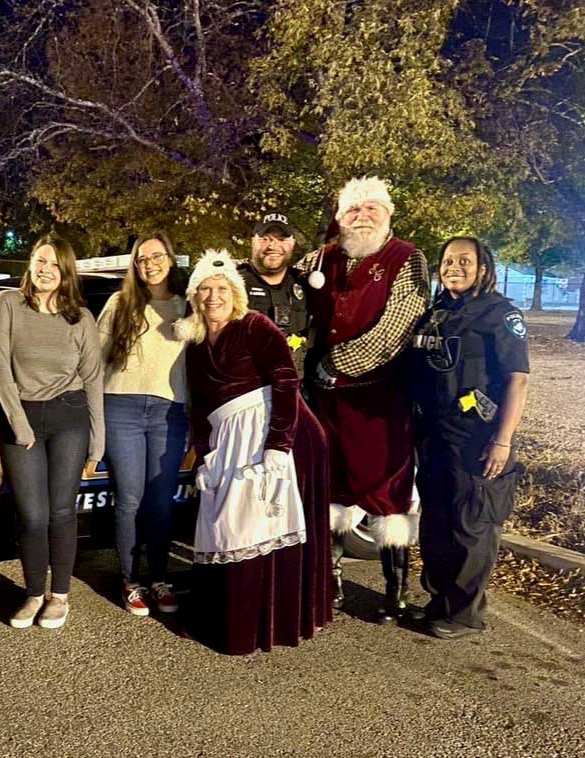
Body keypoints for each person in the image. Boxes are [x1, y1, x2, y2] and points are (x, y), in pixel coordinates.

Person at [175, 250, 333, 655]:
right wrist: (204, 453)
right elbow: (198, 405)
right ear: (194, 297)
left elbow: (285, 381)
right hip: (229, 440)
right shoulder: (194, 344)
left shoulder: (255, 326)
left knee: (261, 528)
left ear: (236, 293)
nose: (213, 297)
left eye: (222, 288)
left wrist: (278, 447)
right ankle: (227, 619)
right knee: (226, 525)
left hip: (278, 435)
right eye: (205, 289)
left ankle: (267, 624)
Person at [297, 176, 430, 621]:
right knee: (330, 486)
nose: (363, 216)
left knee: (388, 492)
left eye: (372, 208)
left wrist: (336, 364)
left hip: (380, 401)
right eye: (353, 210)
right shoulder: (321, 259)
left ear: (388, 213)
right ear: (339, 217)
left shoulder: (408, 259)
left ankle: (396, 588)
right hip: (325, 403)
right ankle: (329, 577)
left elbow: (399, 326)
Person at [407, 236, 529, 638]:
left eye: (464, 260)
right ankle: (440, 602)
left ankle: (464, 614)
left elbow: (517, 381)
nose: (453, 267)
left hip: (478, 438)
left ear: (483, 268)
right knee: (438, 522)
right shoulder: (436, 313)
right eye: (447, 260)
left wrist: (503, 440)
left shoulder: (500, 314)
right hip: (435, 436)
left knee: (473, 525)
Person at [0, 235, 104, 629]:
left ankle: (60, 596)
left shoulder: (80, 318)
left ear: (66, 271)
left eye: (53, 263)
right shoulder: (7, 305)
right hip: (23, 418)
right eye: (39, 260)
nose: (45, 268)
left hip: (69, 417)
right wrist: (18, 423)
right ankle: (34, 592)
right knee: (32, 515)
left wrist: (97, 438)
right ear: (30, 264)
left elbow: (92, 378)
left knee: (61, 511)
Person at [97, 232, 188, 616]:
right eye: (141, 258)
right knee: (130, 499)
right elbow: (95, 361)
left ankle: (159, 578)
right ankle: (131, 581)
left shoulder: (189, 307)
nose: (149, 264)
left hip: (170, 412)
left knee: (161, 501)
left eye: (156, 256)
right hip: (122, 408)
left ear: (171, 258)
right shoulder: (120, 303)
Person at [238, 213, 310, 368]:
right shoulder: (233, 284)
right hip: (249, 385)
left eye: (282, 239)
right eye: (265, 238)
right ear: (253, 242)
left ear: (292, 244)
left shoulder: (305, 284)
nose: (273, 246)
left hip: (295, 385)